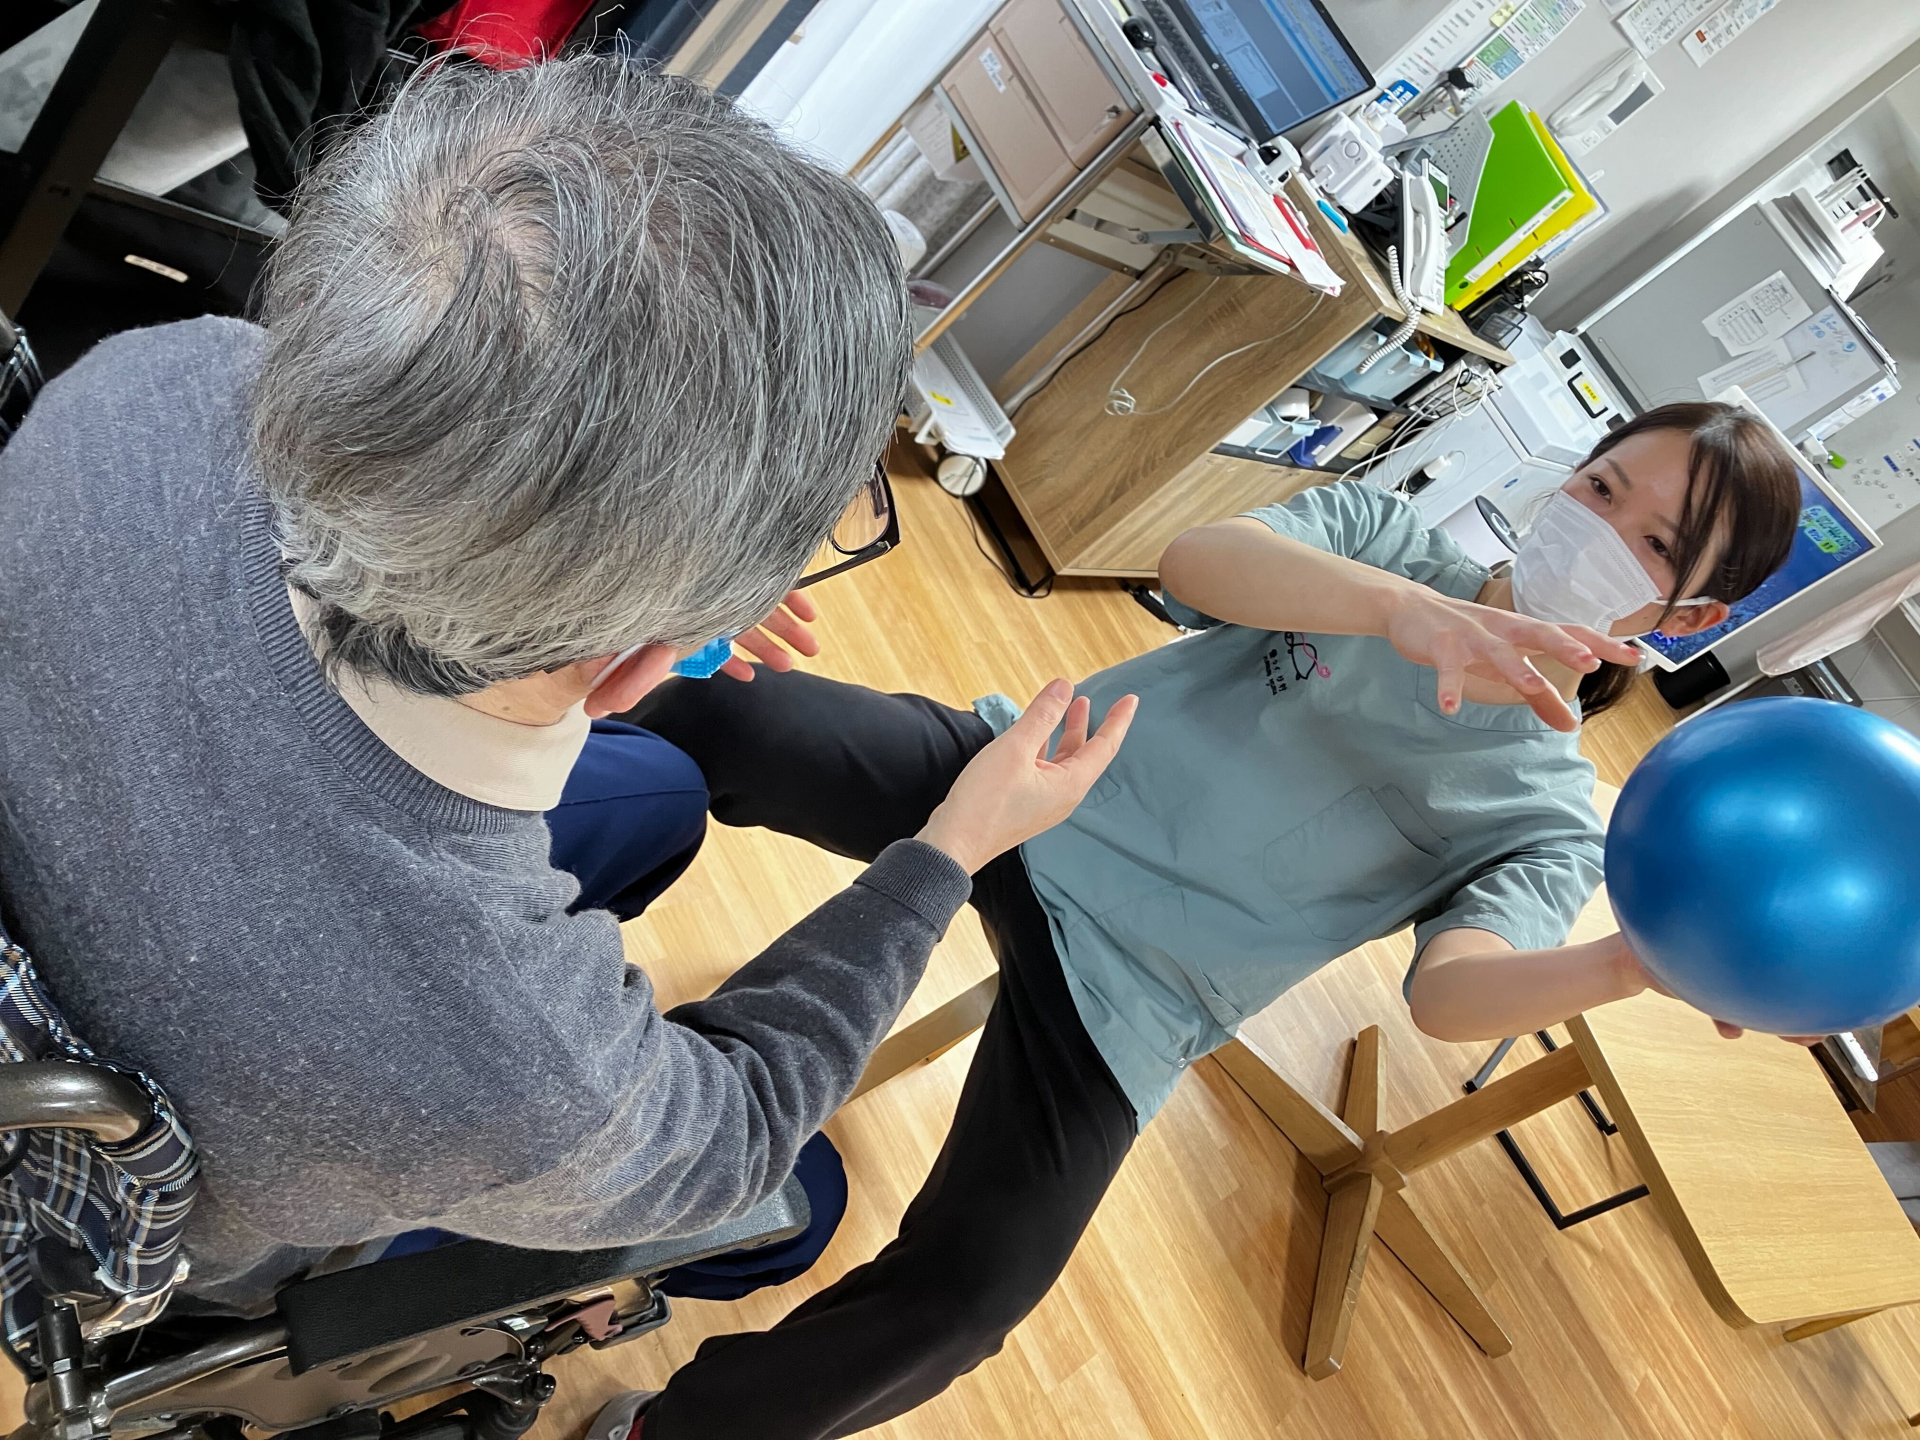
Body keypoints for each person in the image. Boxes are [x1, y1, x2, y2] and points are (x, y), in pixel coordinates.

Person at [0, 54, 1133, 1317]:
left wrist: (617, 586)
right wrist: (948, 852)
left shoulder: (158, 378)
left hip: (82, 921)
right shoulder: (523, 1073)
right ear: (646, 655)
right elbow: (739, 1130)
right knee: (796, 1204)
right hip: (189, 1233)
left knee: (661, 802)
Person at [621, 402, 1803, 1438]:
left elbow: (1450, 997)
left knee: (970, 1297)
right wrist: (1398, 611)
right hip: (1026, 783)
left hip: (1137, 993)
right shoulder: (1389, 545)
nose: (1598, 529)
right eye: (1601, 488)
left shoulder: (1546, 811)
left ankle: (675, 1432)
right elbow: (1197, 563)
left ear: (1691, 615)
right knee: (722, 717)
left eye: (1653, 542)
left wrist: (1630, 962)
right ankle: (538, 943)